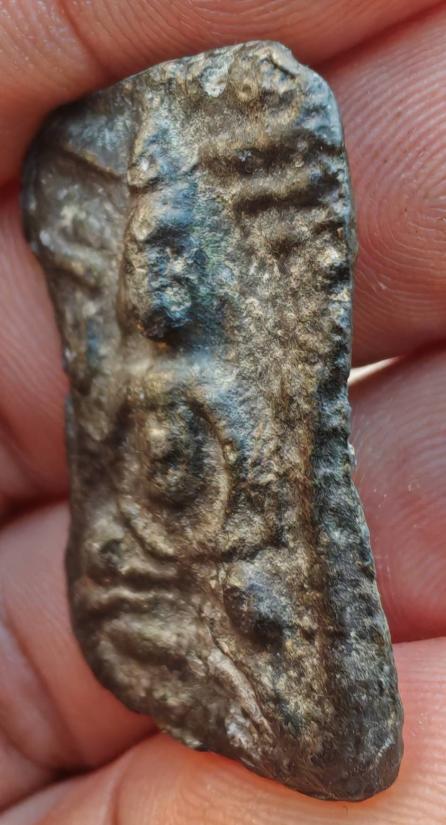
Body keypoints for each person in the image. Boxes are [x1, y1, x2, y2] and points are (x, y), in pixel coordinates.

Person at [0, 1, 445, 822]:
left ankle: (273, 692)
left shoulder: (213, 375)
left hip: (231, 531)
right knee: (127, 588)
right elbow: (115, 455)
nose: (156, 285)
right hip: (158, 535)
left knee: (258, 605)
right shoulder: (133, 370)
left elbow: (250, 469)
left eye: (172, 264)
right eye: (144, 266)